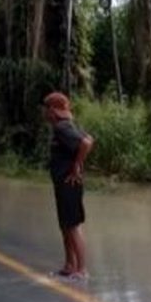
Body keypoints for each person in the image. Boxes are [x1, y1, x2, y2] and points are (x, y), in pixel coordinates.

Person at [43, 92, 94, 280]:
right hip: (62, 184)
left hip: (68, 183)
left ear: (53, 110)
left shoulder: (62, 128)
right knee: (65, 225)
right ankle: (69, 266)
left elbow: (86, 143)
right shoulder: (66, 126)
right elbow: (88, 138)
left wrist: (76, 166)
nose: (45, 113)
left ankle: (82, 270)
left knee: (72, 226)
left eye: (46, 109)